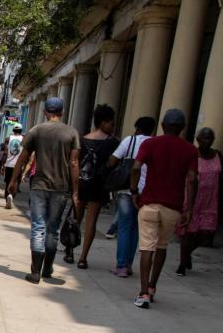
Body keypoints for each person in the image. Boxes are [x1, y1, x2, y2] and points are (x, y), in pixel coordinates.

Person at [8, 97, 80, 283]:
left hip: (39, 186)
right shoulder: (71, 133)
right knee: (52, 229)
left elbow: (23, 157)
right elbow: (74, 163)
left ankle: (35, 271)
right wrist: (75, 190)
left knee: (38, 227)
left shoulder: (36, 130)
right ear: (62, 112)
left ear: (45, 112)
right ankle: (47, 267)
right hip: (61, 188)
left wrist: (14, 180)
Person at [131, 109, 198, 309]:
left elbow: (136, 167)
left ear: (162, 125)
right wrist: (189, 208)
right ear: (182, 128)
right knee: (161, 246)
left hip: (150, 202)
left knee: (146, 248)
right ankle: (152, 287)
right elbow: (193, 179)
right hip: (173, 206)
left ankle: (143, 293)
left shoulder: (150, 143)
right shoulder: (189, 150)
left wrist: (134, 190)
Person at [66, 104, 119, 268]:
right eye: (111, 123)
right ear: (103, 122)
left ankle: (69, 251)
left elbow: (74, 162)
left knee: (76, 218)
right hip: (99, 185)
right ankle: (83, 258)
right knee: (91, 222)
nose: (113, 126)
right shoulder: (112, 143)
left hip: (82, 182)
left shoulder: (83, 139)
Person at [108, 117, 156, 277]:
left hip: (127, 189)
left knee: (124, 227)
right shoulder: (155, 144)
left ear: (137, 129)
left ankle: (121, 265)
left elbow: (113, 160)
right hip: (146, 191)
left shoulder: (130, 140)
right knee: (136, 228)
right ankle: (128, 264)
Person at [176, 127, 223, 276]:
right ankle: (182, 264)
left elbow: (221, 174)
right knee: (189, 233)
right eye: (204, 138)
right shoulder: (192, 154)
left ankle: (187, 253)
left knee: (205, 233)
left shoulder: (218, 155)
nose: (207, 141)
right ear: (197, 140)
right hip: (192, 199)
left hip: (210, 200)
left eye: (210, 138)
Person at [2, 124, 23, 209]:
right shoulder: (23, 139)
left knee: (8, 182)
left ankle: (7, 199)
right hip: (18, 165)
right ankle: (11, 195)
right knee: (16, 182)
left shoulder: (8, 139)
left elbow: (5, 152)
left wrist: (2, 164)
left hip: (9, 164)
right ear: (21, 131)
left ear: (13, 130)